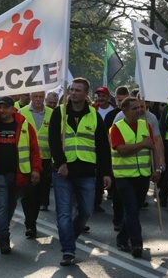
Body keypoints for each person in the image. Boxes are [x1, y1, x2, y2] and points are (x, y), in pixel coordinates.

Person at [48, 77, 112, 266]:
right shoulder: (59, 112)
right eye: (71, 90)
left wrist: (106, 172)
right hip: (63, 172)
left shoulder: (94, 115)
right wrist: (61, 163)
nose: (73, 93)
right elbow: (53, 140)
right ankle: (68, 250)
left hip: (86, 171)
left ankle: (69, 235)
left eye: (77, 90)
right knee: (64, 213)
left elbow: (102, 146)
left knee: (86, 211)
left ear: (86, 94)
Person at [0, 96, 42, 254]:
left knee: (10, 205)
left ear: (13, 109)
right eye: (0, 107)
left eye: (5, 107)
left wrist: (36, 169)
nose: (2, 110)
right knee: (2, 206)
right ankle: (4, 238)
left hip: (18, 174)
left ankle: (0, 231)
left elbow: (34, 149)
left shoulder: (24, 124)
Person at [110, 97, 161, 258]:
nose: (139, 110)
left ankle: (122, 238)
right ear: (124, 111)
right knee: (131, 209)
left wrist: (158, 169)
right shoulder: (116, 128)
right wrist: (142, 144)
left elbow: (153, 148)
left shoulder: (147, 125)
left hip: (143, 176)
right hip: (124, 177)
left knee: (135, 210)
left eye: (140, 107)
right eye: (135, 108)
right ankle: (136, 243)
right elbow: (122, 150)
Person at [19, 91, 53, 237]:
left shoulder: (52, 113)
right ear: (30, 97)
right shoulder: (22, 112)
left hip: (45, 158)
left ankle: (33, 220)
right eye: (35, 97)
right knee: (28, 192)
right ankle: (30, 224)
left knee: (38, 193)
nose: (38, 100)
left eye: (41, 97)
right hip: (26, 158)